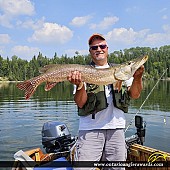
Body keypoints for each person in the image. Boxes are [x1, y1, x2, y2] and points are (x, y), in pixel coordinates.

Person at [67, 33, 144, 170]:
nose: (99, 49)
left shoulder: (120, 71)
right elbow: (80, 103)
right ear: (90, 51)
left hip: (116, 130)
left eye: (102, 46)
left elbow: (135, 94)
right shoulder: (82, 72)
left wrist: (138, 77)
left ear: (107, 48)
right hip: (90, 130)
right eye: (94, 47)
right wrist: (79, 85)